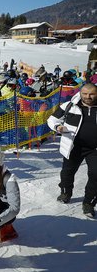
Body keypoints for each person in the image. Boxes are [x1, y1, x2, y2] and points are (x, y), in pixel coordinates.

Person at [46, 82, 97, 218]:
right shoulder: (69, 106)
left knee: (96, 175)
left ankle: (89, 203)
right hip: (73, 146)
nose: (88, 97)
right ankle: (66, 192)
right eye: (85, 93)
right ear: (80, 93)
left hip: (94, 149)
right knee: (67, 172)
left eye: (92, 94)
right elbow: (52, 120)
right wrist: (57, 128)